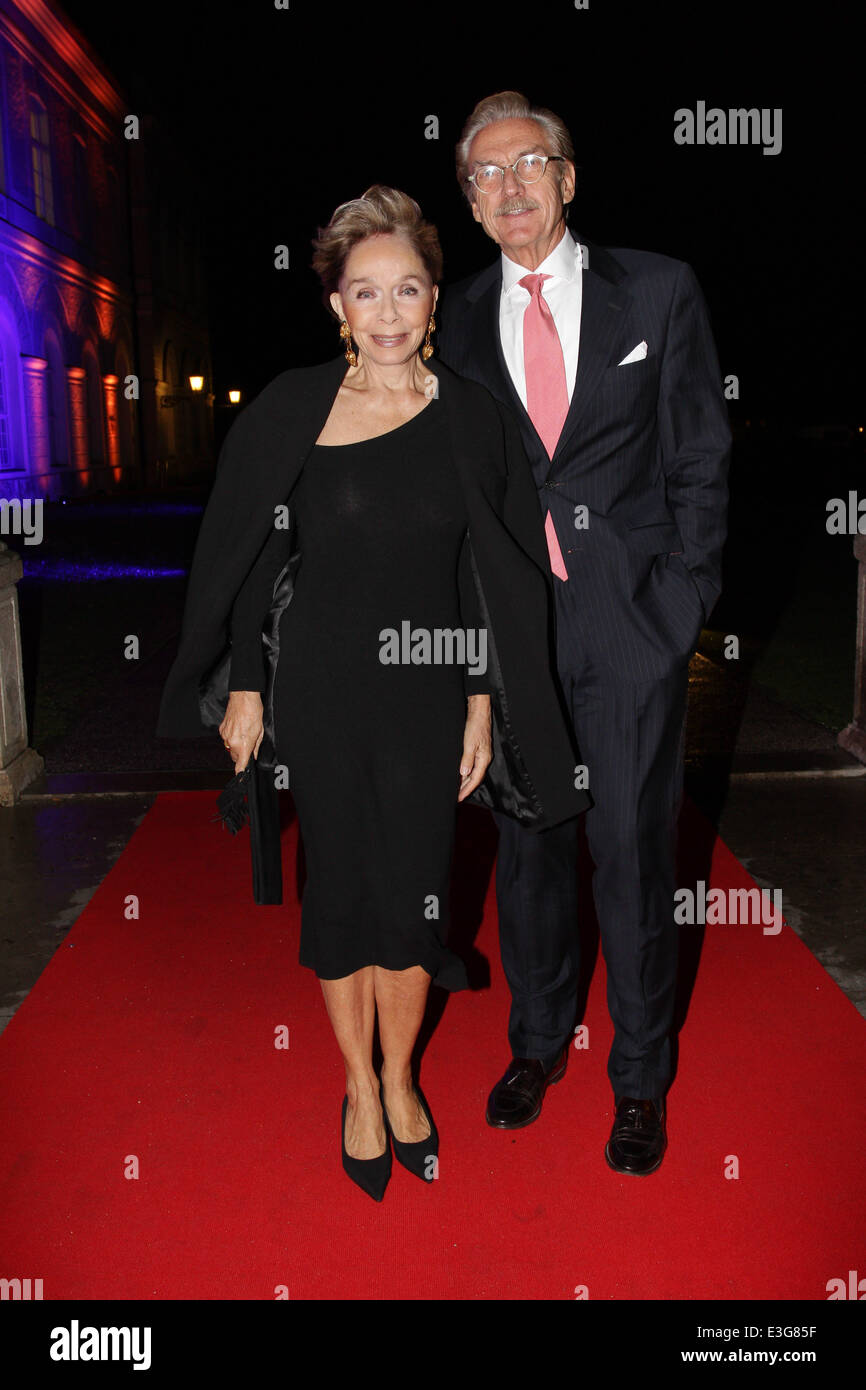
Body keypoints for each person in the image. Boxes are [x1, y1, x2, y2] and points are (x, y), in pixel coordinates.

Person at [156, 186, 588, 1201]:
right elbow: (258, 561)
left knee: (415, 899)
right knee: (342, 895)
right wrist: (250, 689)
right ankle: (357, 1086)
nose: (387, 310)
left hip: (428, 690)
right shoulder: (291, 410)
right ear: (336, 307)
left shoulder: (469, 417)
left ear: (434, 301)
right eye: (365, 292)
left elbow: (486, 572)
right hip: (319, 685)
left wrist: (481, 700)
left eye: (406, 289)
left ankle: (402, 1077)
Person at [438, 92, 731, 1175]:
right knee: (526, 851)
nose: (508, 187)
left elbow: (698, 452)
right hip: (513, 634)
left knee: (629, 854)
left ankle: (639, 1076)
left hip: (630, 624)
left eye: (528, 165)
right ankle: (533, 1042)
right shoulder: (455, 317)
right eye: (483, 175)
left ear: (567, 177)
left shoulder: (656, 289)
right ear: (467, 204)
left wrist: (678, 602)